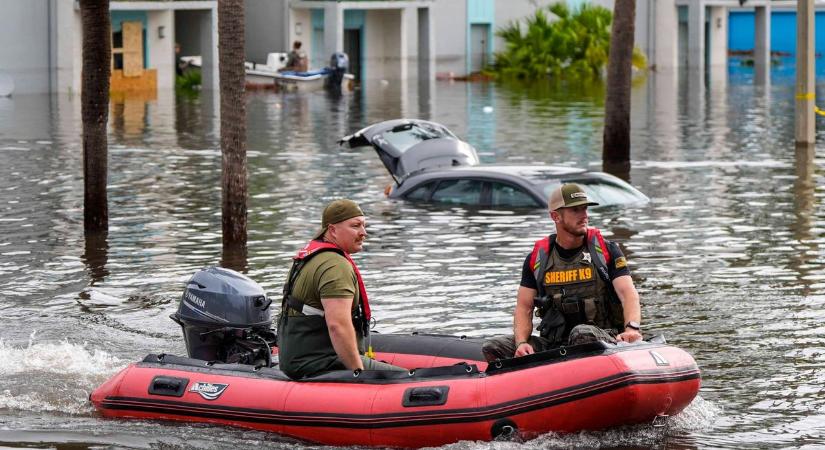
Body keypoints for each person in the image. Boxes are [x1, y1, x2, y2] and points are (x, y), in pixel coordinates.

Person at [482, 183, 643, 362]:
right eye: (575, 210)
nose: (584, 216)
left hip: (603, 338)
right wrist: (521, 343)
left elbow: (628, 294)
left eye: (585, 209)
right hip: (555, 344)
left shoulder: (606, 251)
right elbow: (524, 307)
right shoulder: (537, 259)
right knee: (493, 346)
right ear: (555, 216)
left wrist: (632, 329)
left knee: (581, 333)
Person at [277, 199, 405, 379]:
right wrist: (359, 373)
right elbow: (338, 326)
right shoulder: (335, 266)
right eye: (355, 226)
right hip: (320, 362)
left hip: (299, 359)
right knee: (408, 379)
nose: (364, 233)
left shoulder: (311, 257)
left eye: (364, 225)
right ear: (332, 230)